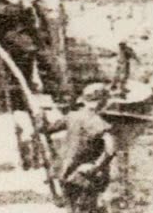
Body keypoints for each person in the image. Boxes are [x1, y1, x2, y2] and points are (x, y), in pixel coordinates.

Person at [49, 83, 116, 213]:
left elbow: (47, 128)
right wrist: (96, 167)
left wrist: (38, 115)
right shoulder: (98, 122)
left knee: (73, 209)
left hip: (66, 173)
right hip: (85, 177)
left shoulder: (72, 116)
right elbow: (111, 149)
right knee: (88, 208)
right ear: (102, 101)